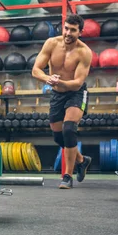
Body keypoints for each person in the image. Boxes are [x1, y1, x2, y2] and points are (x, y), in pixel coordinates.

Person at [32, 14, 93, 189]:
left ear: (80, 32)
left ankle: (67, 175)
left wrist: (59, 82)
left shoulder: (84, 52)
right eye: (66, 28)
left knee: (69, 129)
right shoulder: (51, 43)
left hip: (75, 93)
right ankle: (82, 160)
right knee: (58, 136)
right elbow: (36, 70)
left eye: (73, 30)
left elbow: (77, 83)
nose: (68, 33)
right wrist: (48, 79)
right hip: (57, 94)